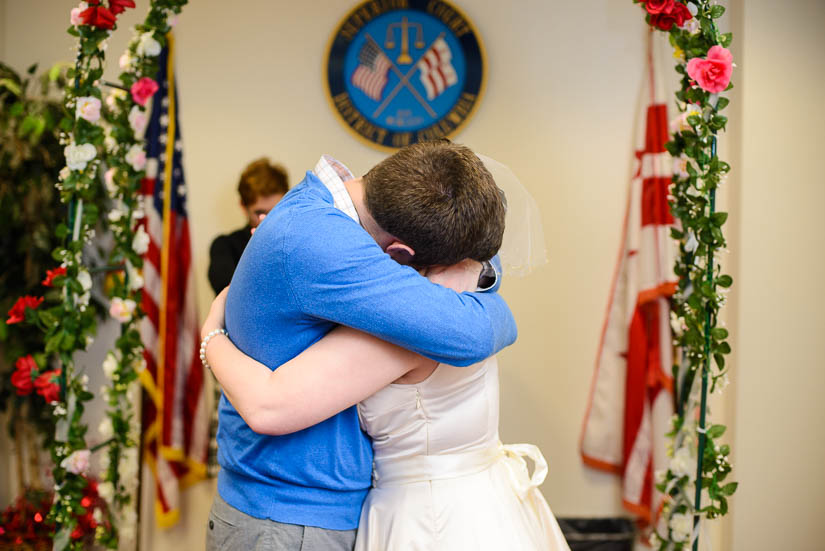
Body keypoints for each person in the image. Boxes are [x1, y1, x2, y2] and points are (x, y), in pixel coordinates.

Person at [205, 141, 518, 550]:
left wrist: (211, 335)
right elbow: (476, 330)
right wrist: (210, 338)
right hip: (288, 518)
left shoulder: (317, 208)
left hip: (291, 510)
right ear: (399, 254)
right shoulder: (324, 243)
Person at [207, 157, 288, 294]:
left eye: (275, 211)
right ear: (243, 207)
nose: (267, 220)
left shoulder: (296, 241)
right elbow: (232, 294)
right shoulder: (225, 246)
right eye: (260, 212)